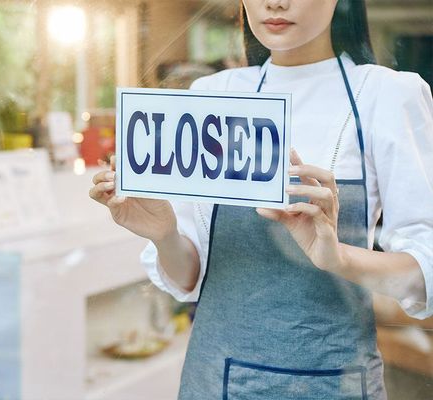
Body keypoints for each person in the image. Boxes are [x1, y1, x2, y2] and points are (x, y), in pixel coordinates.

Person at [89, 0, 433, 398]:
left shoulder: (388, 94)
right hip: (210, 377)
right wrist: (164, 234)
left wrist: (336, 257)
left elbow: (425, 270)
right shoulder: (211, 94)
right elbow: (188, 277)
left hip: (332, 381)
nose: (275, 3)